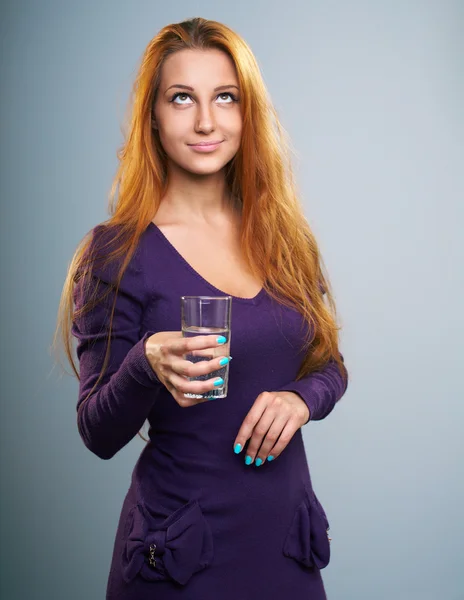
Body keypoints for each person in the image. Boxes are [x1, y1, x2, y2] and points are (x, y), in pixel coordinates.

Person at [54, 16, 349, 600]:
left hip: (283, 546)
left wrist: (301, 398)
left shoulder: (283, 238)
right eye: (182, 98)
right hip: (179, 556)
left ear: (247, 113)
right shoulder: (117, 253)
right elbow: (97, 430)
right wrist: (144, 362)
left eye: (226, 98)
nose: (207, 121)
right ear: (154, 117)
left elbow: (330, 364)